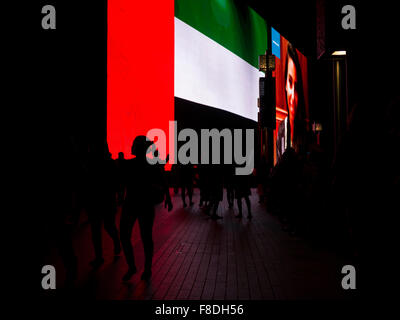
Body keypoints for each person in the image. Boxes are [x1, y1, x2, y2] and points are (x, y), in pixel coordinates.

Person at [120, 136, 173, 282]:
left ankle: (133, 267)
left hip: (131, 203)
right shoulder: (151, 165)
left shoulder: (129, 164)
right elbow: (163, 180)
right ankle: (147, 268)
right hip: (145, 205)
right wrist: (167, 197)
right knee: (146, 237)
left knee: (127, 236)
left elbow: (121, 182)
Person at [86, 142, 121, 268]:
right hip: (107, 199)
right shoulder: (109, 163)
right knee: (108, 226)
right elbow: (116, 182)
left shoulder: (90, 163)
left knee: (97, 229)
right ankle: (116, 243)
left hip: (96, 200)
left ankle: (99, 256)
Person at [276, 42, 307, 161]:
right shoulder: (281, 129)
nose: (293, 95)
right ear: (284, 85)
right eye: (289, 82)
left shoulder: (304, 131)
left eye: (296, 86)